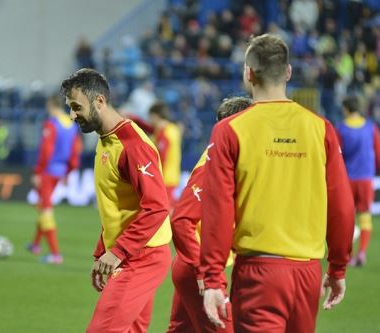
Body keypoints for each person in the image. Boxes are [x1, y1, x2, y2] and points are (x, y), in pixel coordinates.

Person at [200, 34, 355, 333]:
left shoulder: (229, 130)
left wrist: (212, 278)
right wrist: (337, 267)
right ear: (288, 72)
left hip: (259, 274)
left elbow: (217, 209)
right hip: (308, 273)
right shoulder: (320, 129)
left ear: (249, 73)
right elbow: (343, 206)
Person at [61, 68, 171, 333]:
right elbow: (115, 204)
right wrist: (103, 252)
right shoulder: (105, 140)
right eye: (70, 107)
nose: (73, 115)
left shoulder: (131, 145)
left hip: (142, 256)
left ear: (99, 100)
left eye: (77, 107)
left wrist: (118, 252)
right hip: (130, 253)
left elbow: (157, 207)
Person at [167, 96, 253, 333]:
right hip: (199, 270)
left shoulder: (222, 158)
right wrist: (204, 272)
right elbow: (181, 220)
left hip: (193, 266)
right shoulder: (212, 165)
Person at [27, 94, 82, 264]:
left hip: (48, 172)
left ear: (51, 105)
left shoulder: (51, 124)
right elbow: (75, 152)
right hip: (60, 171)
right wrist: (68, 172)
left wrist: (38, 171)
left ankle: (55, 254)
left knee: (46, 210)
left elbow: (46, 151)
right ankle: (35, 244)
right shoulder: (71, 125)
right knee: (44, 205)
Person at [336, 96, 380, 267]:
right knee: (365, 216)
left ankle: (347, 255)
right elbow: (378, 151)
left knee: (347, 218)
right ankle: (362, 252)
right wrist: (373, 170)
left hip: (347, 178)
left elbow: (336, 154)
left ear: (347, 109)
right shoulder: (371, 127)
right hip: (365, 177)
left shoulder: (341, 128)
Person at [133, 101, 182, 205]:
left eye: (150, 118)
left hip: (165, 179)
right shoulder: (172, 129)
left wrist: (155, 178)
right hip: (173, 177)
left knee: (165, 212)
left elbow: (162, 157)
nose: (150, 121)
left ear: (155, 116)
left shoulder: (164, 134)